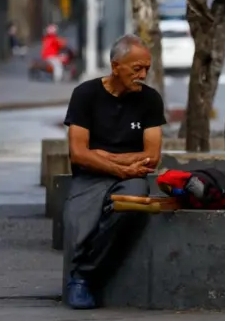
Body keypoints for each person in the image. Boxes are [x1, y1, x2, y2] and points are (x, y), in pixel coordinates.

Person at [63, 34, 166, 310]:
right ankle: (79, 274)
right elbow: (78, 153)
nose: (143, 74)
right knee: (77, 225)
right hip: (91, 176)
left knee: (132, 206)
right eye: (137, 69)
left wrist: (102, 156)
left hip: (133, 177)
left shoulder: (150, 100)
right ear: (115, 65)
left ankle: (83, 276)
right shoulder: (85, 94)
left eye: (147, 68)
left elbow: (152, 156)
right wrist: (118, 167)